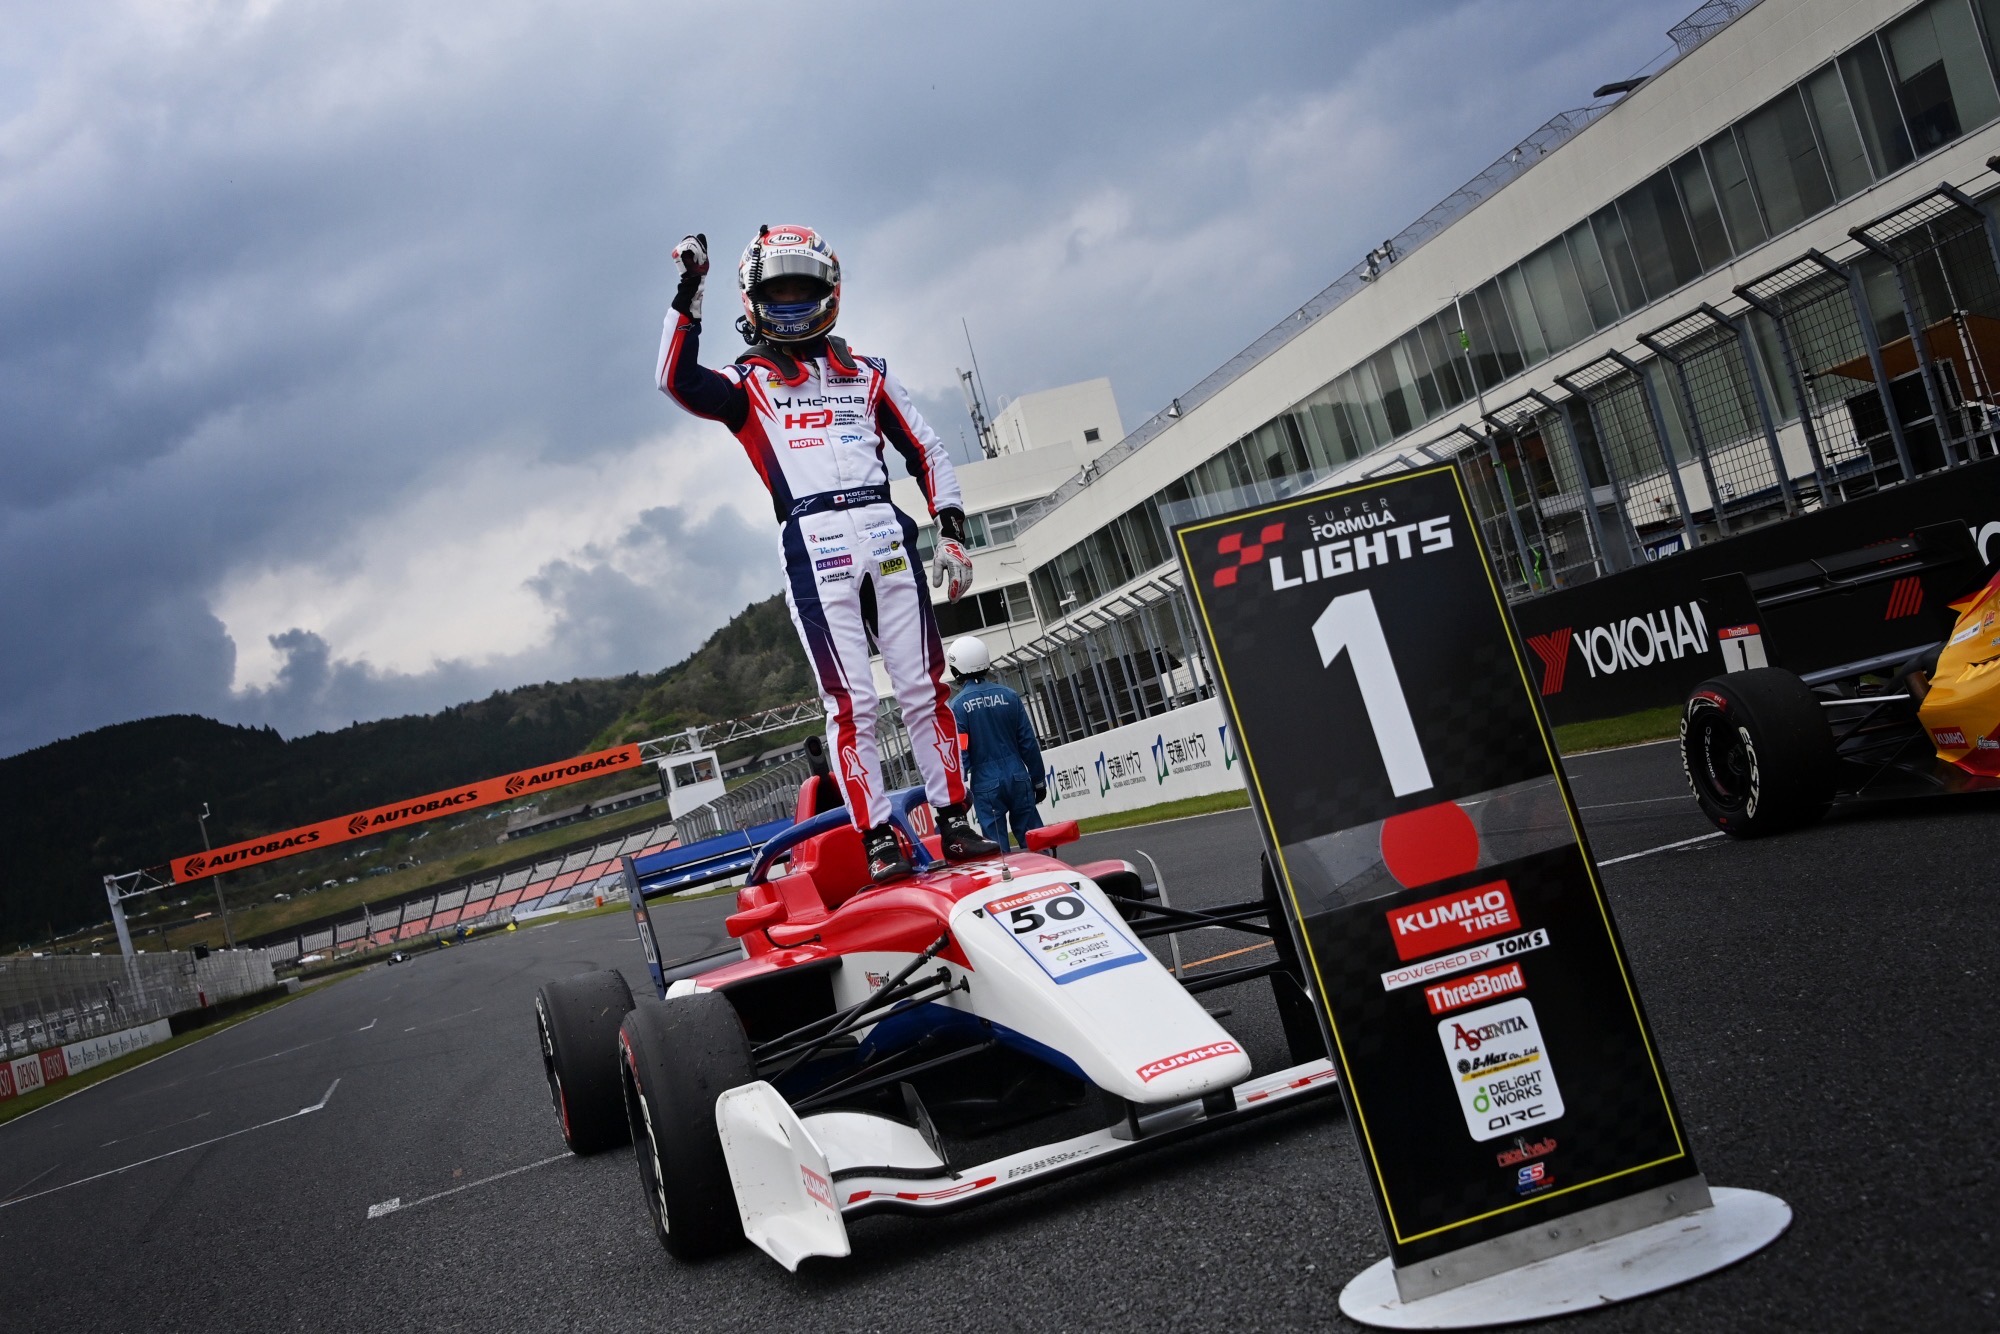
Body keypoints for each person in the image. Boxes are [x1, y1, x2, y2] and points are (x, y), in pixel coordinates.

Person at [657, 225, 1000, 881]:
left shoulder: (869, 374)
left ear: (829, 291)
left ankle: (955, 823)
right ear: (754, 298)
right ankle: (877, 838)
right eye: (778, 291)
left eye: (802, 289)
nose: (790, 301)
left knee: (924, 687)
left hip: (885, 529)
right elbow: (675, 380)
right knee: (851, 705)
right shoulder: (747, 382)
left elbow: (926, 450)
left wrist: (952, 528)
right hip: (814, 541)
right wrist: (689, 290)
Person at [946, 635, 1046, 851]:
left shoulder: (958, 706)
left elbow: (962, 751)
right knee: (1035, 841)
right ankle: (1048, 869)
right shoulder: (1009, 696)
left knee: (996, 850)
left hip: (985, 783)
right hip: (1018, 775)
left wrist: (959, 787)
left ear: (956, 669)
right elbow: (1028, 743)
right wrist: (1038, 780)